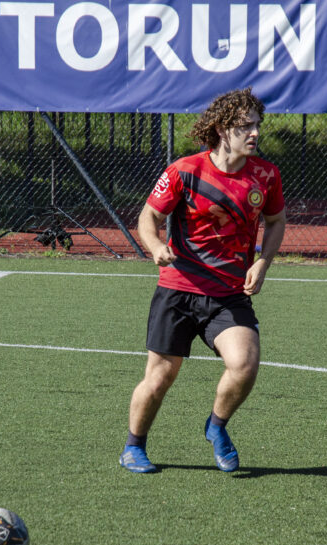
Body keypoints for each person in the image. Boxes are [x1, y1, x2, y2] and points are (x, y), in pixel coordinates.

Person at [120, 88, 287, 474]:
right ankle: (133, 446)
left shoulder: (266, 175)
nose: (255, 133)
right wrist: (155, 246)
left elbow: (276, 221)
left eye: (257, 125)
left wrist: (263, 262)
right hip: (178, 289)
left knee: (244, 364)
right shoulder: (185, 170)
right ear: (222, 129)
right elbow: (148, 216)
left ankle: (216, 426)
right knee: (159, 378)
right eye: (245, 126)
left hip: (229, 294)